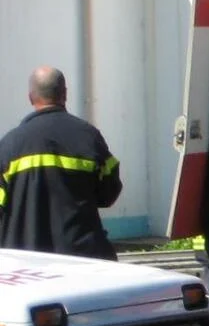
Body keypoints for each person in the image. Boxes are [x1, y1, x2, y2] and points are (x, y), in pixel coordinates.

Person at [0, 66, 123, 259]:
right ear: (64, 94)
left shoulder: (8, 146)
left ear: (31, 98)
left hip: (25, 263)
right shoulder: (88, 136)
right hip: (83, 259)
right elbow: (109, 193)